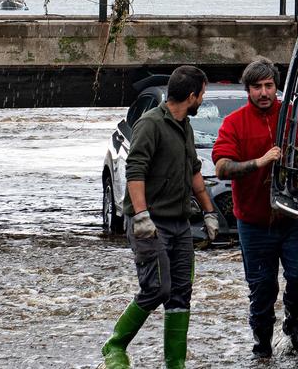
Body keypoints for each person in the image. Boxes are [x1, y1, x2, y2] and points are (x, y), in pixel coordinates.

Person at [212, 58, 298, 358]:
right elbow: (221, 168)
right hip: (254, 222)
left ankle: (293, 320)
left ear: (277, 87)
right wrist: (260, 162)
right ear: (248, 90)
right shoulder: (234, 123)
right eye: (257, 87)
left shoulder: (296, 117)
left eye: (269, 86)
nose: (264, 92)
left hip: (294, 217)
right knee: (262, 288)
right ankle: (263, 346)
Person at [101, 65, 221, 369]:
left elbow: (194, 170)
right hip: (151, 223)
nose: (202, 100)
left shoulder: (186, 127)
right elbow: (135, 169)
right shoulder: (150, 124)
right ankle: (115, 345)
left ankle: (175, 364)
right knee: (157, 288)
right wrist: (140, 216)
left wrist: (209, 212)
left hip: (180, 225)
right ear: (192, 96)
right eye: (202, 95)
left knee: (181, 294)